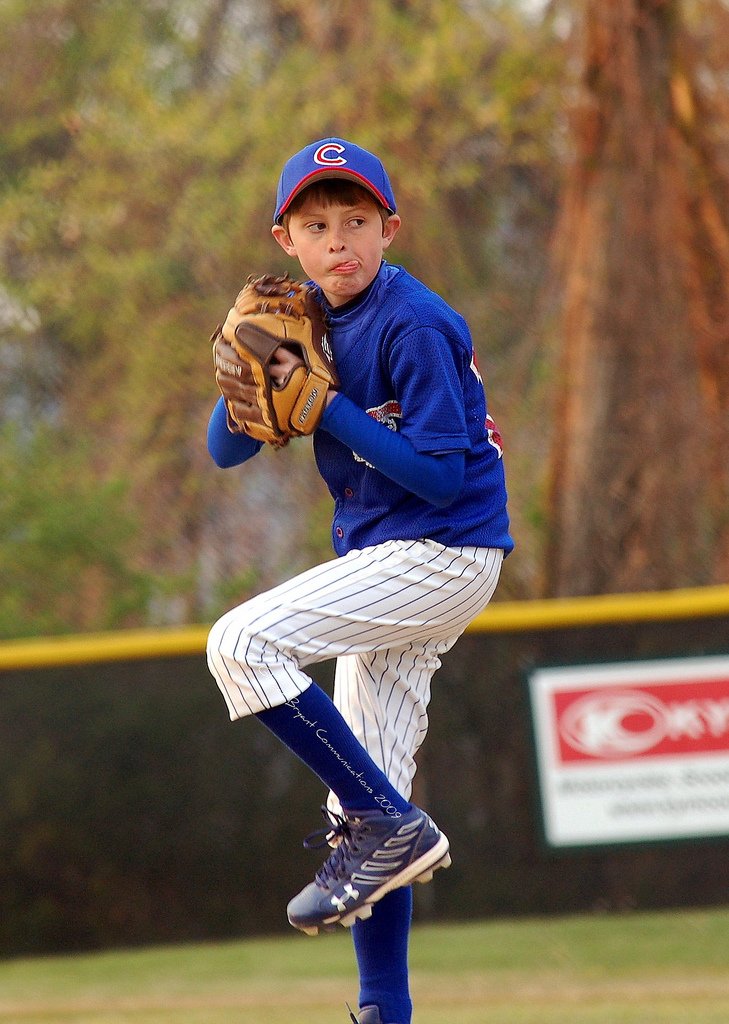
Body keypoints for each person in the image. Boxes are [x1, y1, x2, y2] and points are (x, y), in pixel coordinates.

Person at [206, 137, 513, 1024]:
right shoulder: (300, 318)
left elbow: (442, 477)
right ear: (284, 239)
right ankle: (385, 1007)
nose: (339, 241)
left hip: (443, 551)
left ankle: (388, 825)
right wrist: (240, 362)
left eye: (356, 222)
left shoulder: (411, 322)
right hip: (395, 561)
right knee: (364, 797)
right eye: (316, 225)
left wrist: (328, 407)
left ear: (390, 228)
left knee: (241, 642)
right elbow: (226, 449)